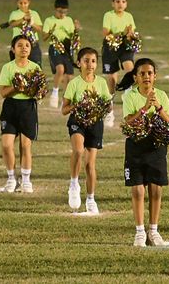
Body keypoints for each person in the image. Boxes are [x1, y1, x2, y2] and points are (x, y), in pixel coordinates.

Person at [118, 58, 169, 247]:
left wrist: (157, 106)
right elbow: (129, 122)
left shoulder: (162, 95)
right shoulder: (130, 96)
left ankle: (154, 230)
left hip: (157, 146)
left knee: (156, 189)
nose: (146, 77)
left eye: (150, 73)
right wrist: (145, 108)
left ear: (155, 76)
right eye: (142, 73)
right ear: (135, 77)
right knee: (138, 189)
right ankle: (140, 231)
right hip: (136, 146)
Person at [61, 47, 111, 214]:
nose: (90, 64)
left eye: (93, 61)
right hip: (77, 121)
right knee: (78, 150)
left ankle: (90, 199)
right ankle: (74, 184)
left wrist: (102, 106)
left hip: (95, 123)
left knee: (90, 165)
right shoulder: (74, 83)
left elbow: (108, 106)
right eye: (86, 60)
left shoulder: (102, 83)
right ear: (79, 63)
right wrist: (79, 105)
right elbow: (64, 109)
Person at [0, 35, 42, 194]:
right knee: (7, 144)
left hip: (28, 108)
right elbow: (3, 92)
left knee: (25, 145)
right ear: (13, 49)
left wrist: (35, 90)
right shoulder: (7, 67)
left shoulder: (35, 67)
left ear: (30, 49)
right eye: (20, 45)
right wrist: (17, 87)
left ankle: (26, 179)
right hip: (10, 107)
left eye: (27, 45)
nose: (24, 48)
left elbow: (40, 91)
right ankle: (11, 178)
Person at [102, 0, 137, 127]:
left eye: (123, 2)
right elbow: (106, 33)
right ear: (113, 4)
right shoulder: (108, 15)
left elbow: (132, 33)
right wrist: (121, 33)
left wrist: (130, 35)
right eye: (117, 2)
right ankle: (109, 110)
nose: (120, 4)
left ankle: (127, 94)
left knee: (130, 68)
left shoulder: (129, 16)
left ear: (126, 4)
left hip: (125, 46)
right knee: (111, 78)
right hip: (110, 47)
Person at [43, 0, 80, 108]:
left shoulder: (68, 20)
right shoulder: (49, 20)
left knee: (69, 76)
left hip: (67, 49)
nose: (62, 14)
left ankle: (65, 99)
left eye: (64, 12)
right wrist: (51, 32)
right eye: (60, 12)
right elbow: (44, 37)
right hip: (55, 47)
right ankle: (54, 93)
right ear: (55, 9)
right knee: (60, 69)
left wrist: (76, 29)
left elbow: (72, 36)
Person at [9, 0, 43, 65]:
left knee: (36, 68)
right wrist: (23, 19)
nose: (23, 5)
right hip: (18, 44)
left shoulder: (34, 13)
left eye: (25, 3)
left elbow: (40, 29)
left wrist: (32, 23)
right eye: (20, 3)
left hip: (33, 44)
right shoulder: (14, 13)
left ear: (29, 2)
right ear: (17, 3)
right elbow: (12, 24)